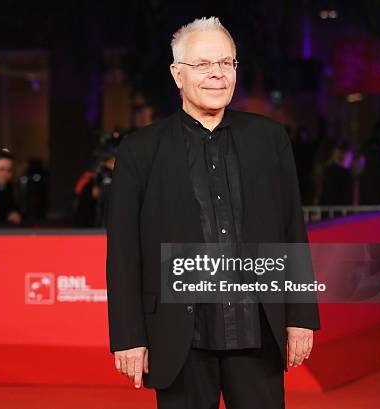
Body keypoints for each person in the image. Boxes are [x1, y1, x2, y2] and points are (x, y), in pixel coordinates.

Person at [106, 17, 320, 409]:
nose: (217, 74)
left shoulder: (269, 139)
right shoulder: (140, 150)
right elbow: (123, 253)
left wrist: (301, 315)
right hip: (179, 337)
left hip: (257, 331)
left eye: (227, 63)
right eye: (203, 64)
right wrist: (128, 337)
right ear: (177, 74)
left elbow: (292, 229)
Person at [0, 150, 22, 226]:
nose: (5, 174)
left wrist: (15, 214)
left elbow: (15, 207)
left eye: (9, 170)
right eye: (1, 169)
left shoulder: (10, 188)